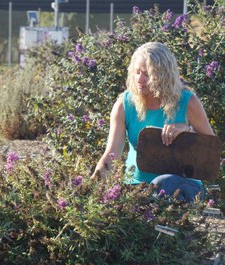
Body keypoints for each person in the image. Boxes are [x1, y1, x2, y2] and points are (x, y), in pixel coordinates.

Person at [92, 42, 215, 202]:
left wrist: (187, 131)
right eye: (136, 73)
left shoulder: (188, 102)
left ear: (163, 75)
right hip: (138, 188)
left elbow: (210, 151)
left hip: (183, 187)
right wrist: (91, 187)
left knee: (162, 184)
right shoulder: (124, 105)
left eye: (147, 74)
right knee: (142, 194)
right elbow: (111, 154)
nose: (139, 79)